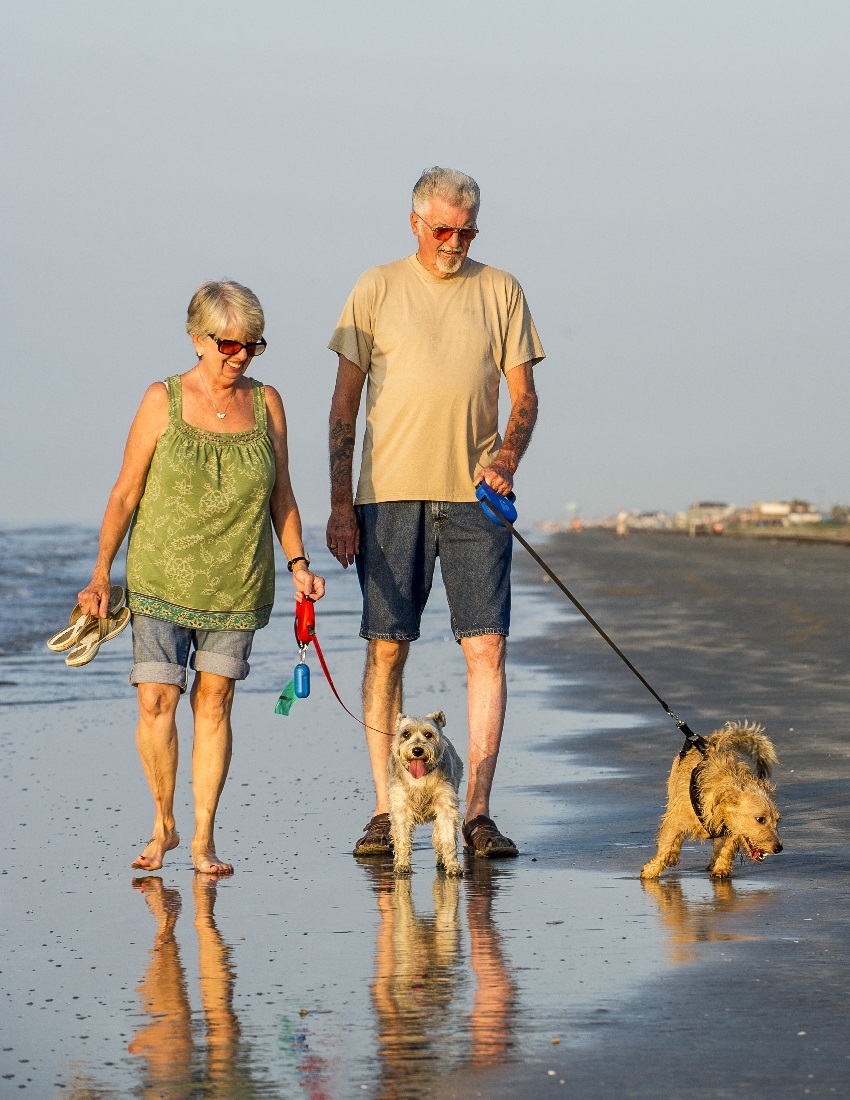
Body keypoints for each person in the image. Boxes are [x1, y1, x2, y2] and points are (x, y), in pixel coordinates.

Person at [326, 166, 544, 859]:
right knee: (387, 647)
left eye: (466, 230)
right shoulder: (375, 286)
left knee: (487, 646)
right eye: (442, 229)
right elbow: (342, 408)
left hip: (476, 497)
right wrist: (339, 504)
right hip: (387, 497)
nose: (454, 242)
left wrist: (506, 458)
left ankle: (477, 812)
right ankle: (387, 810)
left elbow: (526, 400)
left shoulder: (501, 289)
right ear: (415, 223)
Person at [78, 280, 323, 875]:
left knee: (215, 702)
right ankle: (163, 822)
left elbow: (282, 494)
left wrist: (298, 564)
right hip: (160, 578)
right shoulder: (160, 400)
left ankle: (204, 838)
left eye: (252, 347)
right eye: (229, 345)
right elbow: (125, 492)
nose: (239, 356)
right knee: (158, 698)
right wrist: (99, 575)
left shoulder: (268, 404)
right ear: (197, 338)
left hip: (237, 581)